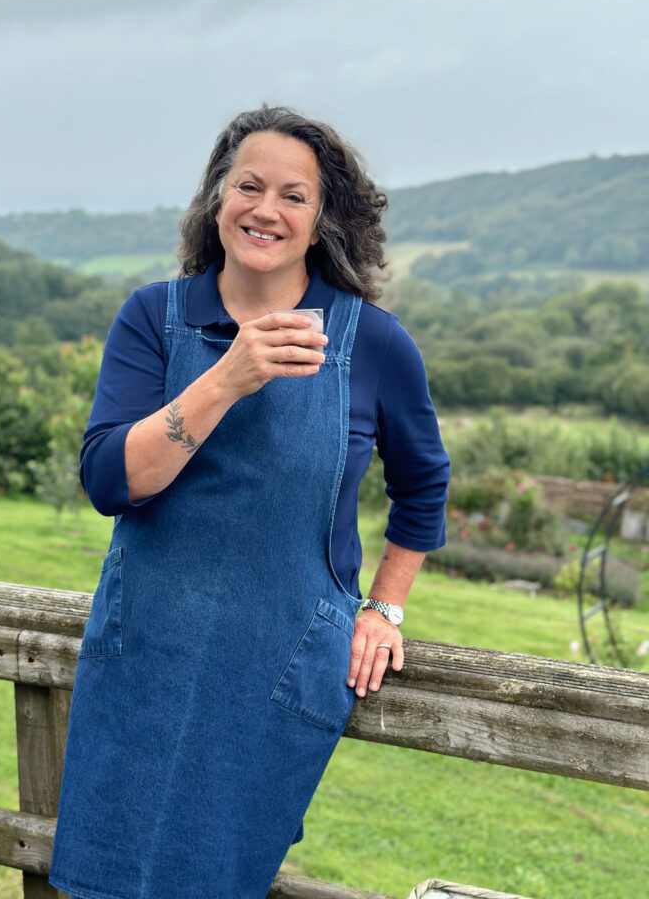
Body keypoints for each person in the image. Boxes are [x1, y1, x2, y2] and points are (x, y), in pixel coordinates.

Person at [49, 105, 450, 899]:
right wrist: (228, 376)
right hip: (145, 659)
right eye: (249, 186)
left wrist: (384, 609)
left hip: (276, 670)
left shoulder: (371, 342)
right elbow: (110, 481)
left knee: (217, 880)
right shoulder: (153, 319)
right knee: (101, 879)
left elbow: (424, 484)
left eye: (293, 196)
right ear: (216, 199)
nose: (266, 209)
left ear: (320, 220)